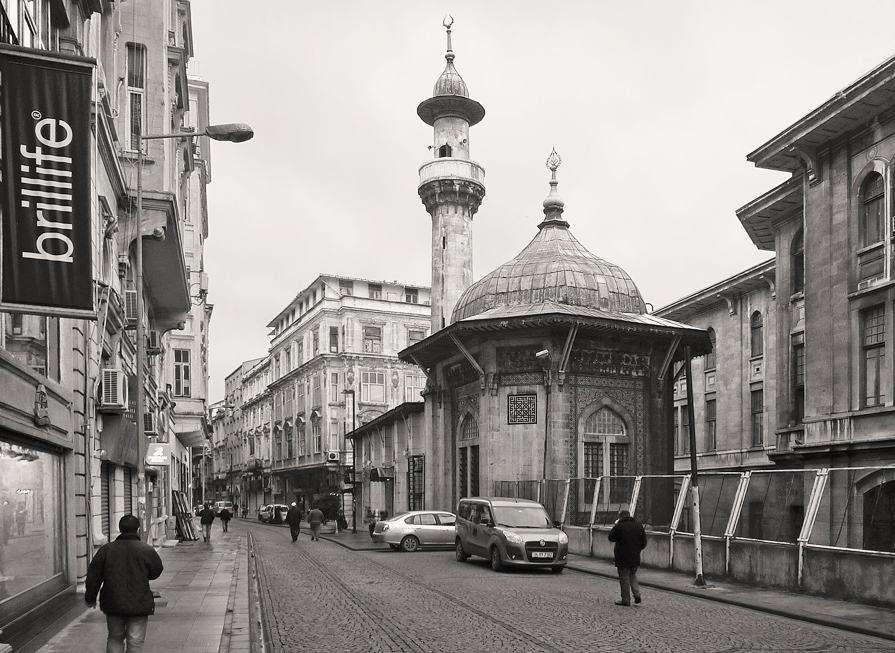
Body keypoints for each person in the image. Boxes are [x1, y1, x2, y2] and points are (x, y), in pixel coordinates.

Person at [85, 514, 164, 653]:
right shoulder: (146, 549)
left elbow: (94, 576)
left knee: (115, 637)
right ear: (137, 529)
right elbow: (157, 570)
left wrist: (90, 598)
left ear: (120, 529)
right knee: (135, 641)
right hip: (139, 602)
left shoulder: (106, 550)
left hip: (113, 601)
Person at [607, 509, 647, 607]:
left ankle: (626, 599)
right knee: (632, 575)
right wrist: (637, 550)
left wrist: (615, 525)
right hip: (635, 556)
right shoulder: (638, 526)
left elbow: (611, 537)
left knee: (624, 578)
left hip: (622, 557)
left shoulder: (619, 526)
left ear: (620, 517)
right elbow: (644, 542)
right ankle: (637, 595)